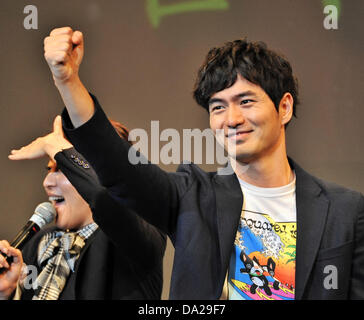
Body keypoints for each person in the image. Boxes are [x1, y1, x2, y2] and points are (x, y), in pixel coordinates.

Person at [15, 26, 364, 299]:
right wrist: (68, 81)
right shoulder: (192, 196)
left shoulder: (346, 211)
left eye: (246, 101)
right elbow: (117, 164)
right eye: (218, 107)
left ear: (283, 107)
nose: (231, 118)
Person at [1, 116, 166, 300]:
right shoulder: (40, 245)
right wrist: (7, 294)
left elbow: (105, 199)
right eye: (50, 169)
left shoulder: (134, 238)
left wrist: (57, 147)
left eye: (63, 168)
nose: (46, 182)